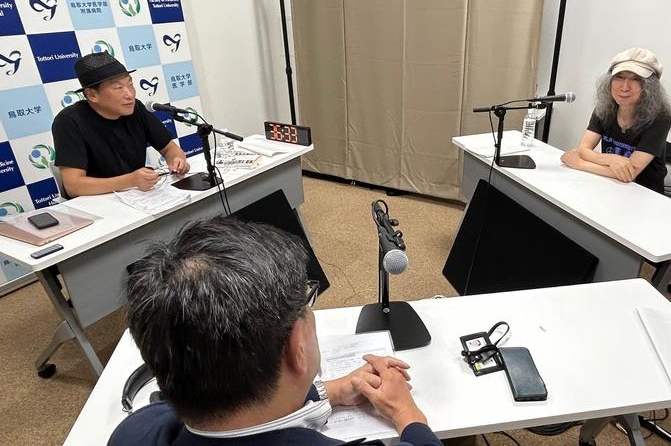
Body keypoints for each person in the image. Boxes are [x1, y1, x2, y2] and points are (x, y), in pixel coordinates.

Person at [109, 217, 442, 446]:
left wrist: (333, 391)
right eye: (307, 301)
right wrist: (405, 412)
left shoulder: (134, 431)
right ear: (298, 347)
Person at [52, 52, 189, 198]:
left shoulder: (136, 108)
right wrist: (130, 181)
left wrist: (177, 160)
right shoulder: (69, 121)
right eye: (118, 88)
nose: (130, 94)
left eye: (130, 84)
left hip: (137, 197)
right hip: (95, 202)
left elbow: (169, 148)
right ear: (92, 95)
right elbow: (74, 186)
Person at [560, 47, 671, 194]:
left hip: (644, 193)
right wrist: (611, 159)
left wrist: (579, 164)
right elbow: (583, 150)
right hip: (609, 185)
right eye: (619, 77)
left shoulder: (660, 118)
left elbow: (630, 174)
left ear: (650, 87)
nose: (624, 87)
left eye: (636, 79)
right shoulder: (605, 108)